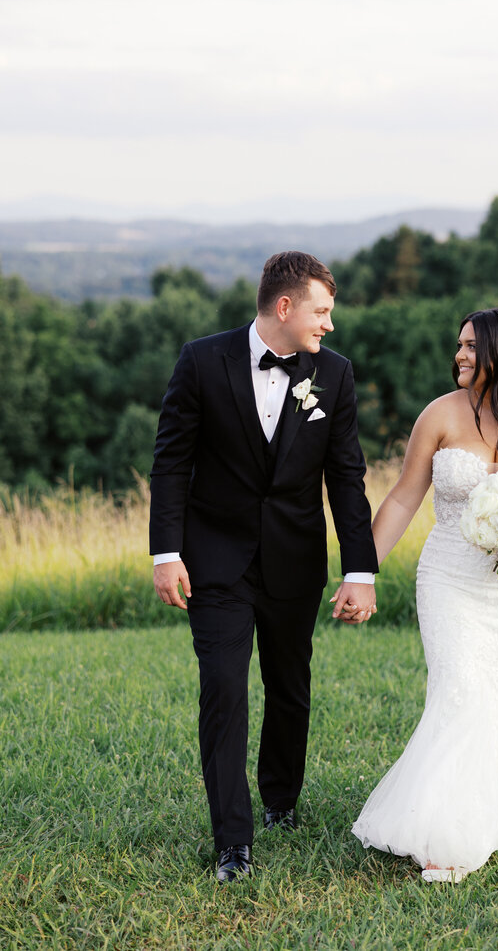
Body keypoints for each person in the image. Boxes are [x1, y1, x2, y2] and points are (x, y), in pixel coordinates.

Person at [149, 251, 379, 882]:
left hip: (293, 562)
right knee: (223, 692)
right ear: (285, 307)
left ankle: (281, 800)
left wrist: (361, 568)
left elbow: (348, 480)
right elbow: (171, 462)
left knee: (289, 688)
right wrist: (166, 553)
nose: (330, 324)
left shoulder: (334, 375)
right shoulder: (202, 360)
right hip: (215, 563)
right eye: (322, 310)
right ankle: (232, 840)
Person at [349, 307, 498, 883]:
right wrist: (363, 571)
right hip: (451, 579)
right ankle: (451, 831)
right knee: (461, 691)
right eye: (458, 344)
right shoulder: (439, 415)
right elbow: (405, 498)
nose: (458, 355)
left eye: (471, 346)